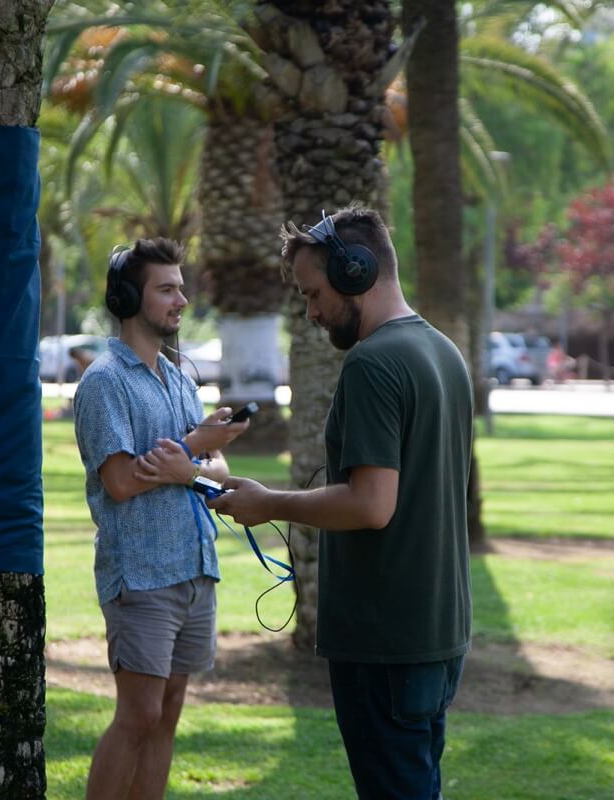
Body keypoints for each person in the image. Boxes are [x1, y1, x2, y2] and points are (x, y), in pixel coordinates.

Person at [209, 206, 473, 799]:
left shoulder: (373, 363)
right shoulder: (444, 354)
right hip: (436, 630)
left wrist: (271, 502)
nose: (311, 312)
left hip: (385, 641)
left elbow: (371, 504)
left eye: (315, 292)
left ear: (358, 271)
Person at [73, 238, 249, 799]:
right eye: (167, 289)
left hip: (195, 568)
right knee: (139, 715)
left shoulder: (177, 378)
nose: (182, 299)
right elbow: (120, 482)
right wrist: (198, 442)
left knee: (168, 714)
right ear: (129, 298)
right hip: (142, 576)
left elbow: (212, 468)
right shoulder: (104, 382)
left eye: (181, 287)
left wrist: (204, 450)